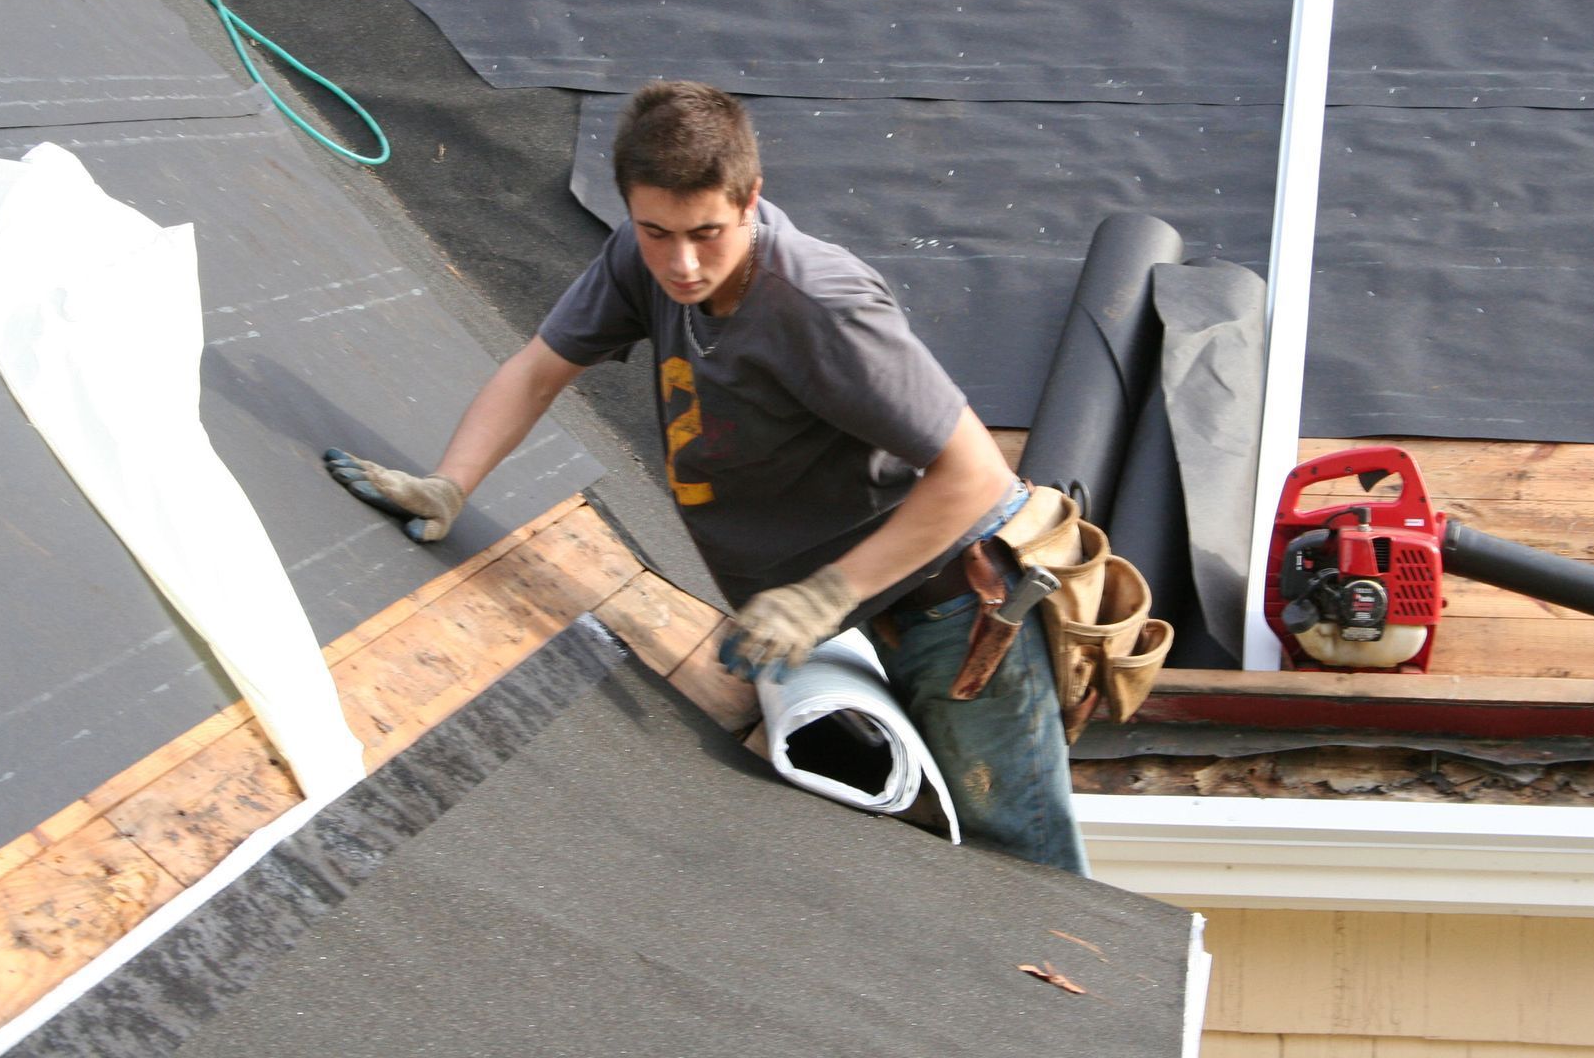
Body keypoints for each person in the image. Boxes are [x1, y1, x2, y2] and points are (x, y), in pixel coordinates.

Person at [325, 81, 1087, 874]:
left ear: (752, 198)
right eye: (656, 232)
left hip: (951, 612)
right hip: (852, 620)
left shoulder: (818, 303)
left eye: (707, 233)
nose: (682, 264)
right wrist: (452, 483)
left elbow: (974, 476)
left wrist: (826, 596)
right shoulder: (638, 258)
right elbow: (537, 373)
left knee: (1021, 874)